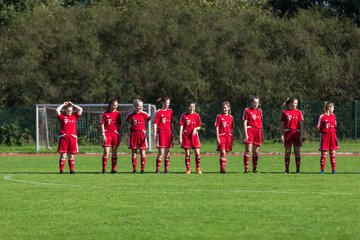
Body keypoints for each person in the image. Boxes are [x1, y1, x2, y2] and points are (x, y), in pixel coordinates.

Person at [56, 101, 83, 174]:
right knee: (63, 155)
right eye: (67, 110)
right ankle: (61, 170)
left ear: (72, 111)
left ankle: (72, 170)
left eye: (70, 111)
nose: (69, 112)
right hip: (63, 138)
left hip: (72, 138)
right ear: (65, 110)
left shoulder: (74, 116)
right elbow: (57, 110)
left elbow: (80, 109)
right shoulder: (62, 117)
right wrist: (63, 104)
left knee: (71, 154)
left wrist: (73, 104)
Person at [280, 98, 304, 174]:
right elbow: (282, 125)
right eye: (294, 103)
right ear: (290, 103)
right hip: (288, 133)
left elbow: (301, 124)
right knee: (287, 152)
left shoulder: (299, 112)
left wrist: (301, 134)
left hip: (296, 133)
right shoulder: (284, 112)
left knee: (297, 152)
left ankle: (298, 170)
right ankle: (287, 170)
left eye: (296, 103)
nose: (295, 105)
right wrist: (282, 134)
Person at [126, 99, 150, 173]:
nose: (139, 108)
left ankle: (142, 169)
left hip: (142, 134)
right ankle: (134, 169)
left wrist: (143, 128)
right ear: (134, 106)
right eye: (138, 106)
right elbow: (128, 121)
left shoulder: (144, 114)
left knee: (143, 152)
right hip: (133, 134)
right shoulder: (130, 115)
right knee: (134, 152)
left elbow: (148, 119)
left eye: (141, 106)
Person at [179, 101, 202, 174]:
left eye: (193, 107)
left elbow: (199, 126)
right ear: (188, 107)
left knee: (197, 153)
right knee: (187, 154)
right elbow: (181, 126)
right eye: (190, 107)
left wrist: (195, 129)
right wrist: (180, 137)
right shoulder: (184, 115)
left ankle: (198, 168)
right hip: (186, 136)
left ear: (195, 108)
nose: (192, 108)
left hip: (194, 136)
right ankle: (188, 169)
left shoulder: (197, 115)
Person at [101, 98, 122, 174]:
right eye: (114, 105)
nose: (115, 107)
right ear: (110, 104)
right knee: (106, 152)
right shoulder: (105, 113)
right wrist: (103, 134)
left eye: (116, 105)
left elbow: (119, 126)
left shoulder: (118, 114)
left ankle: (113, 169)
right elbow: (102, 124)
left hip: (115, 134)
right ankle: (104, 169)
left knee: (114, 152)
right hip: (107, 133)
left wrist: (120, 135)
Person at [317, 102, 339, 174]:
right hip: (325, 136)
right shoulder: (322, 116)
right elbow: (318, 127)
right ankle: (322, 170)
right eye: (333, 107)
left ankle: (334, 170)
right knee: (324, 153)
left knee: (333, 152)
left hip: (332, 135)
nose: (334, 109)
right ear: (329, 108)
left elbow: (335, 124)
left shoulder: (333, 116)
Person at [153, 97, 174, 174]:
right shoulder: (159, 112)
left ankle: (166, 169)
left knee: (168, 152)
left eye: (169, 103)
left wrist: (173, 132)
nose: (168, 105)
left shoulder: (170, 111)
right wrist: (155, 132)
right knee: (161, 152)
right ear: (163, 103)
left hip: (168, 133)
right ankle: (158, 169)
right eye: (166, 103)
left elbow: (171, 123)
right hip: (161, 133)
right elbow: (155, 123)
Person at [242, 96, 262, 173]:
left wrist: (261, 133)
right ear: (251, 102)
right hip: (250, 130)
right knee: (248, 150)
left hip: (258, 131)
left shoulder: (260, 111)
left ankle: (254, 169)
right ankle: (246, 169)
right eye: (254, 102)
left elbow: (260, 122)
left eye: (257, 102)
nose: (255, 104)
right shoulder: (247, 110)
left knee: (256, 151)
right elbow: (245, 122)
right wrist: (246, 134)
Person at [215, 101, 234, 174]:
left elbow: (232, 129)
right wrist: (217, 138)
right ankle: (223, 169)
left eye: (226, 108)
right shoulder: (219, 117)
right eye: (223, 108)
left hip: (228, 137)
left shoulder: (231, 117)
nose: (224, 109)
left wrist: (232, 139)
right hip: (222, 136)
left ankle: (222, 168)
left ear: (228, 108)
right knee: (222, 152)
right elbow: (216, 128)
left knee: (225, 153)